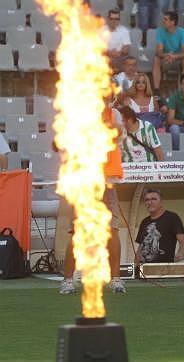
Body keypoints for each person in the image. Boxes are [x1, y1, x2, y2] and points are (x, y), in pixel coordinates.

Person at [60, 106, 126, 294]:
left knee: (112, 229)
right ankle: (67, 280)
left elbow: (120, 134)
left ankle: (116, 279)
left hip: (108, 181)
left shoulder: (114, 114)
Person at [135, 188, 184, 263]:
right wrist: (135, 266)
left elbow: (183, 241)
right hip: (144, 269)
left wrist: (180, 253)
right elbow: (140, 247)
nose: (150, 202)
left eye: (154, 199)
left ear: (161, 201)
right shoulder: (144, 222)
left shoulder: (172, 218)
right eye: (147, 200)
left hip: (164, 269)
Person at [152, 11, 184, 93]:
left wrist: (174, 56)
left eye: (165, 19)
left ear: (172, 22)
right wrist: (167, 55)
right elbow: (159, 51)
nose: (163, 21)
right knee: (156, 59)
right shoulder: (160, 31)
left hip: (178, 59)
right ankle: (156, 90)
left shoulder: (183, 32)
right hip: (165, 59)